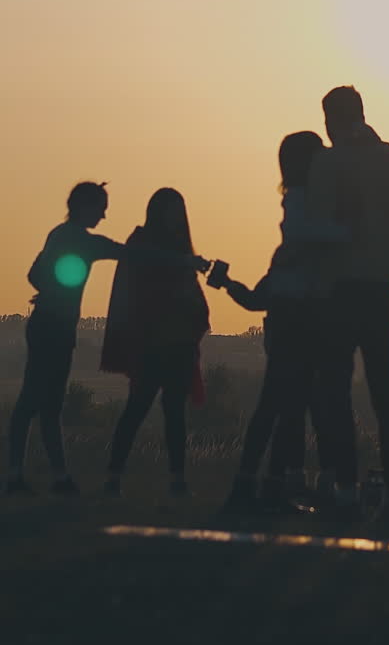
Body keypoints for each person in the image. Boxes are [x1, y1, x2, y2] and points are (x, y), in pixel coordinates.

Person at [4, 182, 209, 495]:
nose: (104, 215)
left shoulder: (59, 236)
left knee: (46, 403)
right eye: (101, 208)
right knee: (37, 400)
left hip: (50, 325)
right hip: (53, 328)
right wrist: (185, 262)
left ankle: (51, 477)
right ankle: (24, 476)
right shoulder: (84, 242)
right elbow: (134, 254)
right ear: (85, 207)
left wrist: (52, 287)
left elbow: (33, 274)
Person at [213, 132, 348, 513]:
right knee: (292, 407)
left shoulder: (288, 240)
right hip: (300, 320)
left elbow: (258, 298)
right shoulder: (306, 207)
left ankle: (268, 487)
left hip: (288, 323)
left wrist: (226, 285)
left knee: (282, 408)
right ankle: (270, 487)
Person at [306, 86, 389, 520]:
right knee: (385, 392)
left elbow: (321, 222)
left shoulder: (331, 163)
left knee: (335, 391)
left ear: (331, 119)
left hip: (342, 288)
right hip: (382, 286)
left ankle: (347, 489)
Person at [101, 189, 210, 497]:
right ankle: (113, 476)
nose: (176, 216)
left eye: (179, 210)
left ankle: (177, 480)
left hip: (177, 345)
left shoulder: (177, 251)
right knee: (137, 409)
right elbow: (145, 285)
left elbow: (192, 298)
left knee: (174, 412)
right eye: (171, 210)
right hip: (151, 345)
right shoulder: (143, 244)